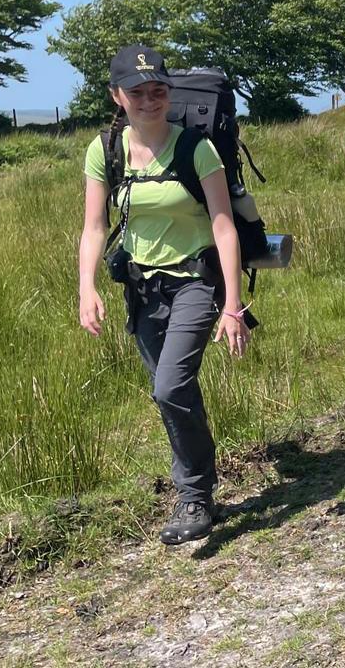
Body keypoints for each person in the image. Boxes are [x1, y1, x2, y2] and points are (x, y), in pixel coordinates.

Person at [79, 44, 250, 545]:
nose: (149, 101)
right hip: (141, 289)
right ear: (117, 96)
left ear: (169, 93)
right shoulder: (104, 150)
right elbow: (94, 226)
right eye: (137, 92)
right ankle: (199, 489)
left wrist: (233, 305)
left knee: (170, 387)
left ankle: (193, 494)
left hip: (195, 281)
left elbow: (223, 226)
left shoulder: (196, 148)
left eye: (158, 90)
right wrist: (86, 287)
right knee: (171, 392)